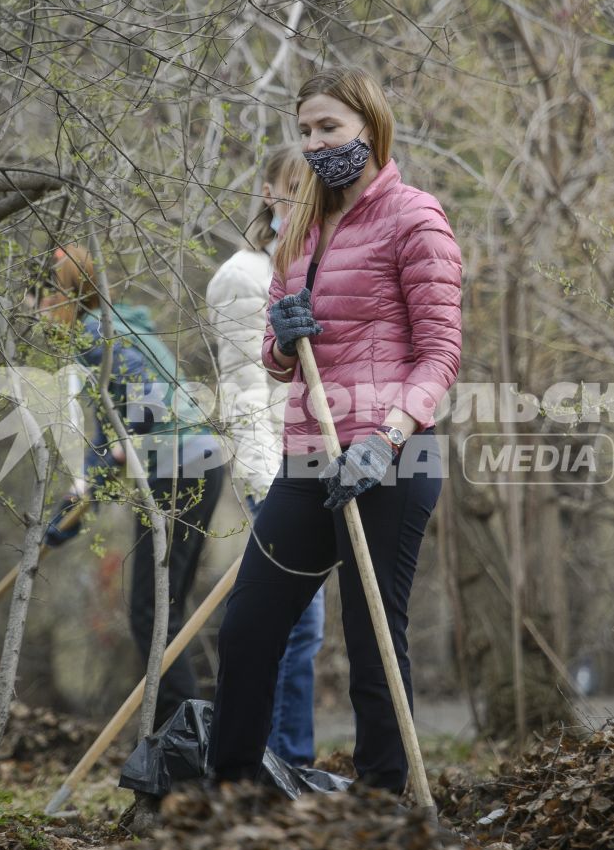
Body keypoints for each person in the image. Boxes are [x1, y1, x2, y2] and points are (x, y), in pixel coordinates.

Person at [208, 67, 462, 794]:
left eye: (331, 127)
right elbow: (277, 363)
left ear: (369, 128)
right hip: (311, 456)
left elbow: (441, 353)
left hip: (393, 455)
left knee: (374, 640)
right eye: (307, 130)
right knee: (251, 625)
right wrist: (284, 342)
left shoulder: (415, 217)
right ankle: (230, 794)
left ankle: (383, 800)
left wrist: (384, 436)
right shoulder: (301, 234)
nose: (317, 143)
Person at [41, 245, 227, 732]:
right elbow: (111, 435)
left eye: (36, 297)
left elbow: (143, 418)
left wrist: (96, 478)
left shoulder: (97, 336)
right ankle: (187, 737)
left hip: (179, 467)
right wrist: (76, 502)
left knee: (151, 614)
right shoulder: (118, 327)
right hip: (200, 461)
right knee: (164, 613)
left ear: (59, 294)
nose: (33, 310)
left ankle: (186, 741)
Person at [205, 147, 328, 766]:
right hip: (274, 467)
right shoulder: (244, 277)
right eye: (294, 187)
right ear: (269, 193)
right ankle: (281, 764)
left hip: (312, 461)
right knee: (294, 625)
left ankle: (287, 761)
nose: (305, 199)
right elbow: (247, 389)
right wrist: (263, 477)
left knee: (307, 627)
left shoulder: (311, 265)